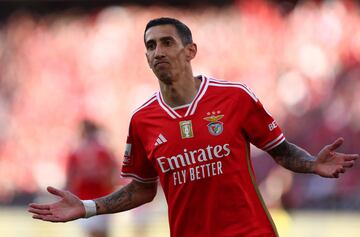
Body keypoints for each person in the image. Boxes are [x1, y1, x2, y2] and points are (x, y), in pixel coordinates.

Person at [28, 17, 359, 237]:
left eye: (167, 42)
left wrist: (312, 164)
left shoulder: (234, 98)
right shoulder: (142, 121)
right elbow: (142, 188)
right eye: (150, 45)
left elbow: (281, 151)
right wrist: (88, 207)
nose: (158, 51)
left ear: (190, 51)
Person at [64, 120, 120, 237]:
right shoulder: (105, 150)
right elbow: (113, 177)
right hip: (104, 200)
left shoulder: (75, 152)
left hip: (83, 200)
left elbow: (70, 180)